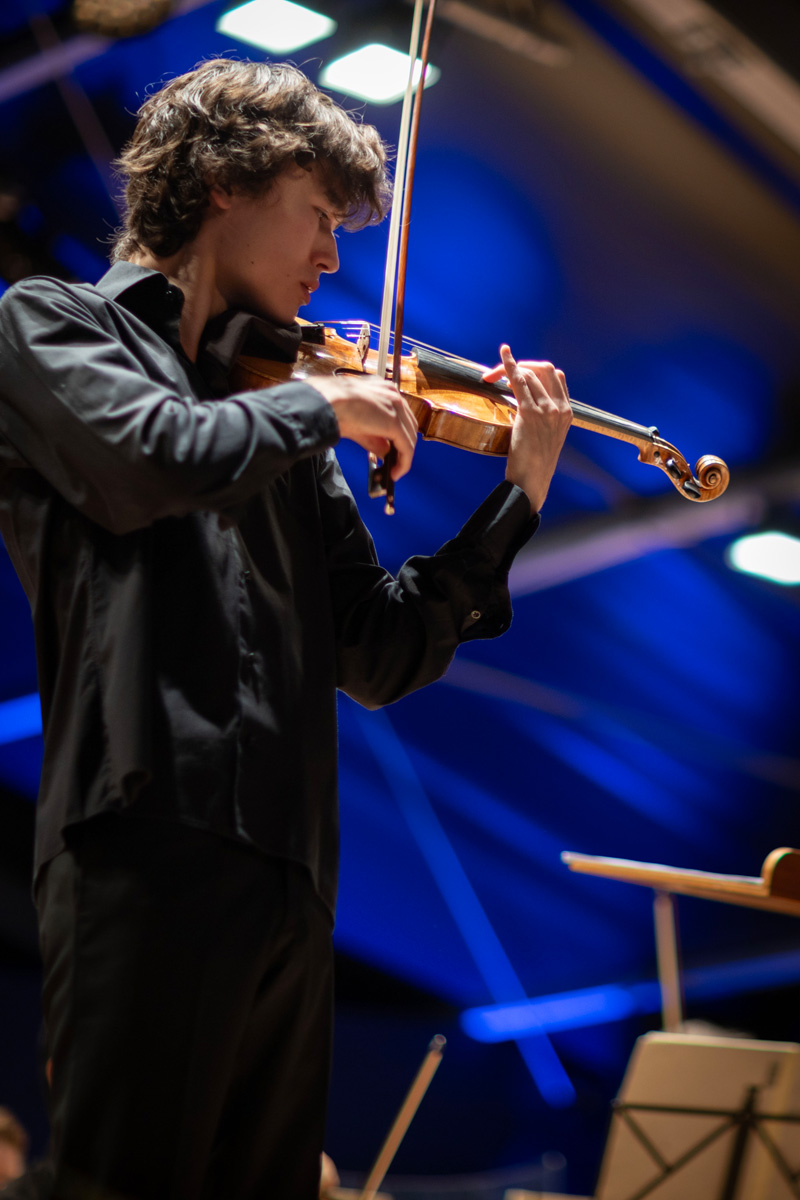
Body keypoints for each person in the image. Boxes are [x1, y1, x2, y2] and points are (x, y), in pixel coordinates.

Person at [0, 58, 572, 1200]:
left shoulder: (285, 415)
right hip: (145, 829)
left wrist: (516, 498)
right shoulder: (53, 323)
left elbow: (376, 651)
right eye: (318, 216)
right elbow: (146, 459)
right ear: (224, 182)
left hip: (293, 869)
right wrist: (315, 407)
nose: (330, 259)